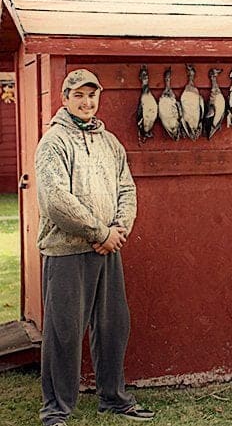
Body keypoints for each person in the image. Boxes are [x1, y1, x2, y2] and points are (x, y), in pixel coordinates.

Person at [35, 69, 154, 425]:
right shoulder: (53, 143)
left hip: (108, 250)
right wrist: (99, 232)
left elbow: (126, 188)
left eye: (92, 95)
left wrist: (118, 229)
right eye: (79, 96)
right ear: (65, 98)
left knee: (113, 326)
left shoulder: (109, 142)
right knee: (64, 333)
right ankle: (56, 410)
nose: (87, 102)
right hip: (67, 252)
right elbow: (56, 200)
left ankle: (113, 398)